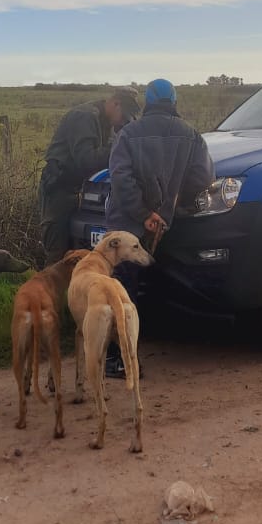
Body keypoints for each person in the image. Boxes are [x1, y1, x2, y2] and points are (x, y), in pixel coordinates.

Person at [104, 78, 214, 376]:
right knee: (147, 285)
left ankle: (117, 360)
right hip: (162, 225)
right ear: (174, 101)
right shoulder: (191, 135)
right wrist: (170, 205)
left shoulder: (128, 134)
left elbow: (120, 178)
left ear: (148, 102)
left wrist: (142, 213)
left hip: (126, 226)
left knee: (120, 290)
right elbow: (203, 179)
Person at [38, 88, 141, 266]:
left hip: (81, 192)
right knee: (58, 252)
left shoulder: (106, 122)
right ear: (115, 103)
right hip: (59, 188)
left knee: (77, 255)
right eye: (124, 117)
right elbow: (87, 160)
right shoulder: (84, 117)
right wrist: (119, 149)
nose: (123, 122)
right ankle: (47, 284)